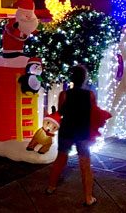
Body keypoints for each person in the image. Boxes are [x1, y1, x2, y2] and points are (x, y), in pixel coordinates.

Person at [45, 64, 98, 207]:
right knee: (85, 165)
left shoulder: (64, 94)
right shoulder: (90, 95)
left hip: (67, 131)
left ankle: (51, 187)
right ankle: (88, 197)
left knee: (60, 159)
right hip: (83, 132)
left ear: (72, 78)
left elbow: (61, 113)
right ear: (85, 78)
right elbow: (94, 113)